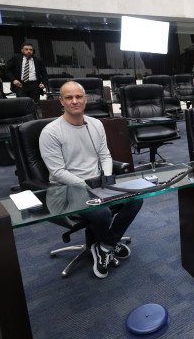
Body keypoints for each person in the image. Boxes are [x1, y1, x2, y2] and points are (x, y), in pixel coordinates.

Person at [39, 81, 143, 279]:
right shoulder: (50, 132)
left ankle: (104, 246)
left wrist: (106, 177)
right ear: (61, 101)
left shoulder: (95, 124)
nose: (75, 101)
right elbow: (58, 171)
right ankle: (109, 244)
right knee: (102, 213)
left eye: (79, 96)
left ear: (85, 99)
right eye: (69, 97)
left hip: (97, 183)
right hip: (67, 189)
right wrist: (88, 186)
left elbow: (105, 155)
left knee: (136, 198)